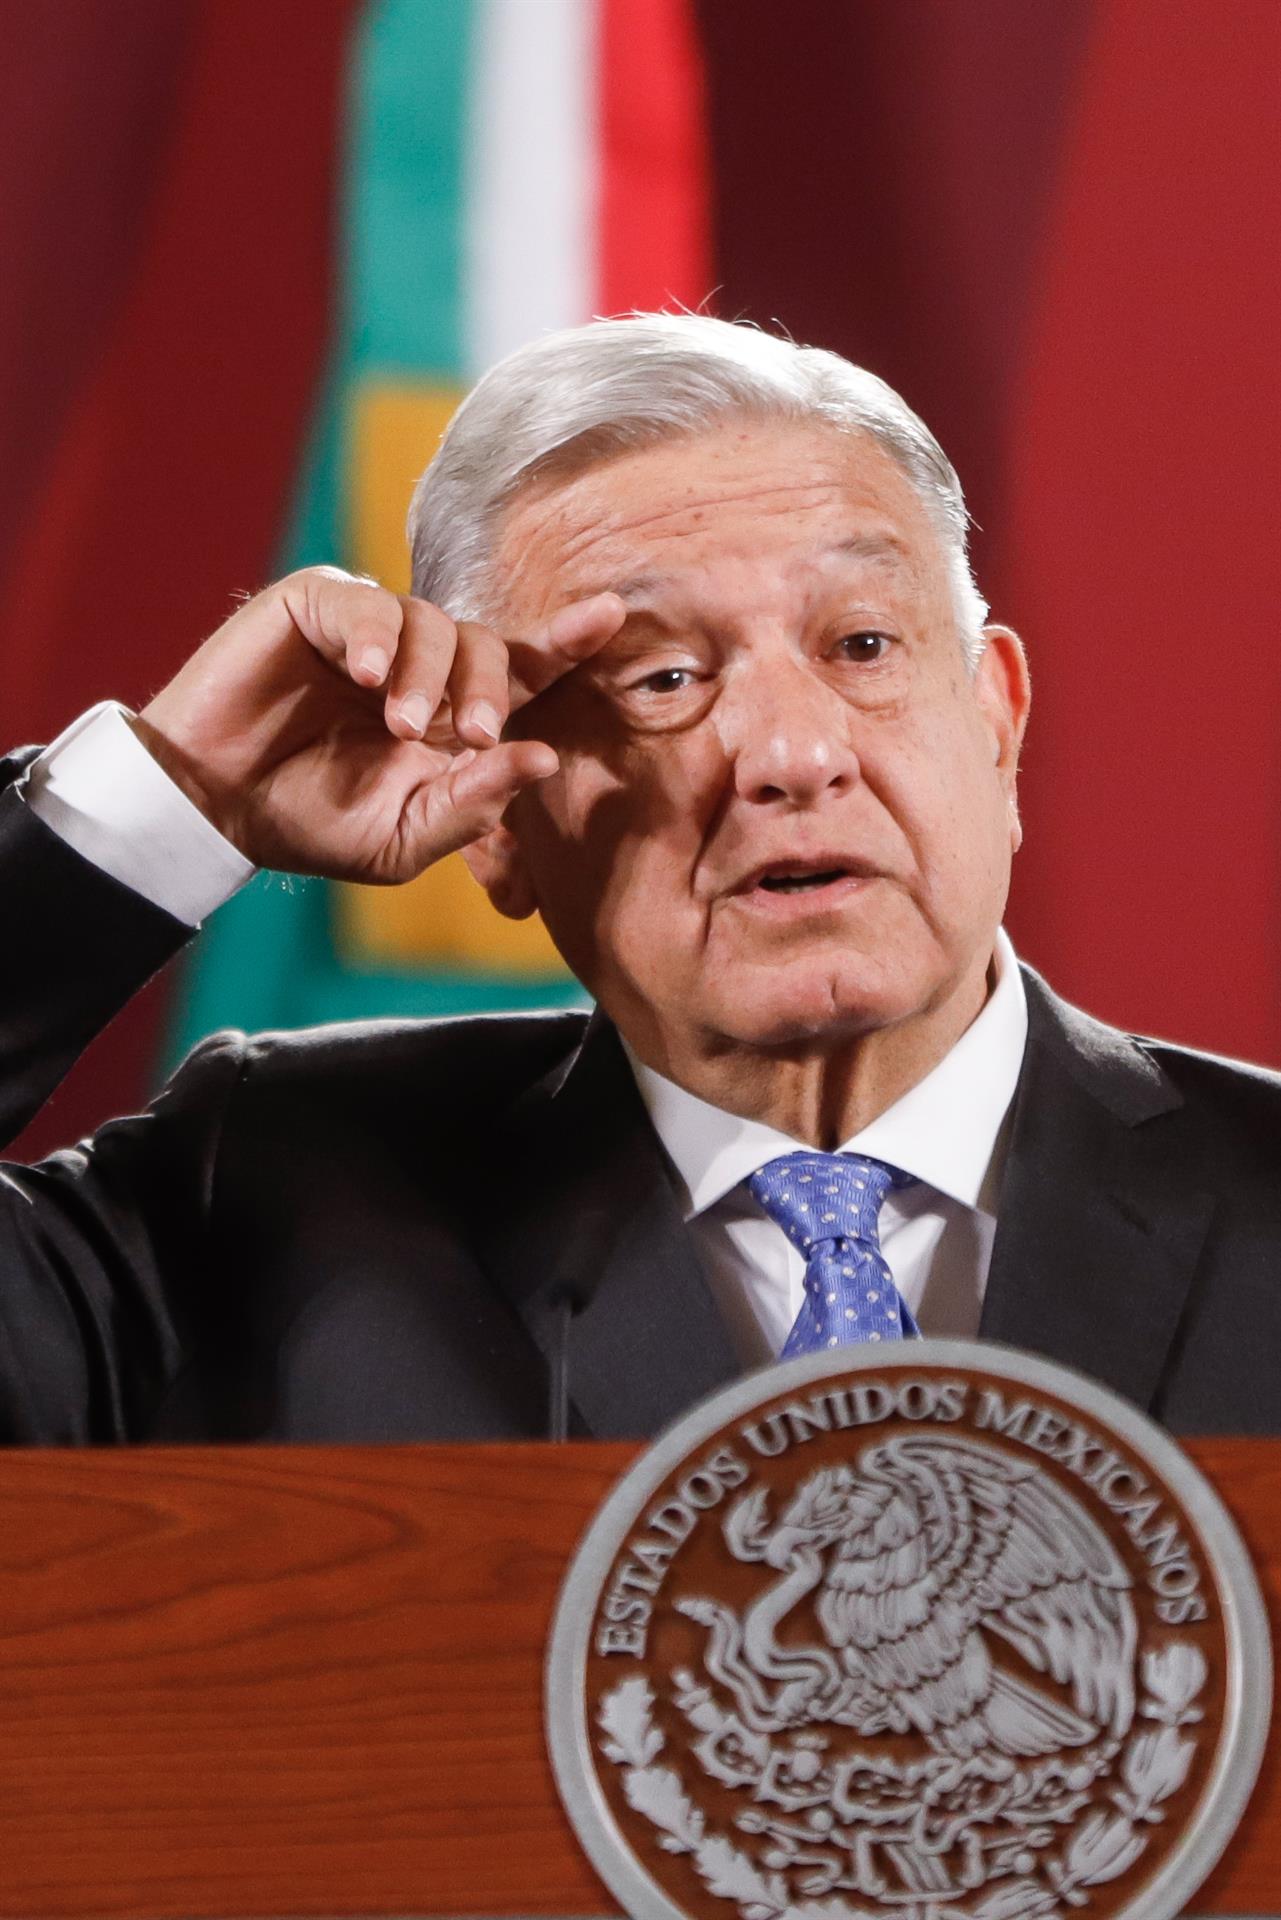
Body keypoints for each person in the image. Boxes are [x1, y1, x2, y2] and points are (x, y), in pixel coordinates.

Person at [2, 314, 1277, 1445]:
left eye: (865, 644)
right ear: (496, 813)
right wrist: (153, 807)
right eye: (662, 679)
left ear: (995, 722)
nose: (792, 754)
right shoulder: (263, 1203)